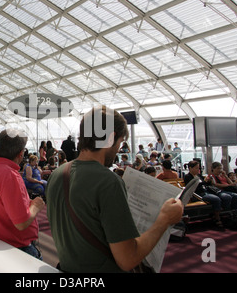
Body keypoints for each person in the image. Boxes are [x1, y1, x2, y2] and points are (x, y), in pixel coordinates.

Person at [46, 106, 183, 272]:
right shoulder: (108, 182)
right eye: (119, 142)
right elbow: (128, 259)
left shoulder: (57, 174)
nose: (118, 149)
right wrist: (164, 220)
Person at [0, 129, 45, 260]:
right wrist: (36, 205)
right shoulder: (10, 176)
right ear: (20, 154)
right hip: (17, 246)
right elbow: (22, 223)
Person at [184, 160, 224, 227]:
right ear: (190, 168)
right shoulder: (188, 177)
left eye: (198, 168)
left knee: (221, 197)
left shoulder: (199, 175)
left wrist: (208, 181)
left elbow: (205, 184)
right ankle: (217, 218)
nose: (198, 170)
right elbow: (194, 187)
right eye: (196, 168)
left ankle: (216, 213)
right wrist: (204, 182)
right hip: (197, 195)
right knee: (216, 199)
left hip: (205, 192)